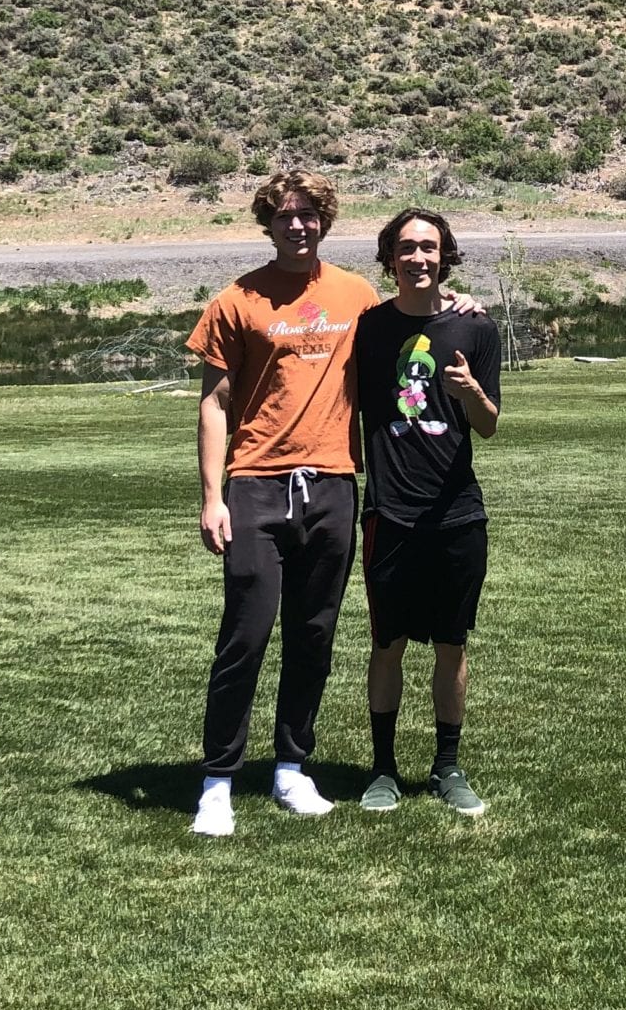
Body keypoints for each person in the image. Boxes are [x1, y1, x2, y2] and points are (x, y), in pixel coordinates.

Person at [185, 169, 378, 838]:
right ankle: (217, 783)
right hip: (257, 484)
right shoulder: (237, 300)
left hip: (332, 481)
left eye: (309, 215)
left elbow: (410, 337)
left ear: (325, 220)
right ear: (267, 223)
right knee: (245, 633)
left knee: (314, 633)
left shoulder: (357, 295)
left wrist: (456, 304)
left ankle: (292, 767)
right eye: (285, 215)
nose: (298, 225)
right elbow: (214, 405)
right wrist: (213, 497)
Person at [353, 208, 503, 817]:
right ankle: (383, 770)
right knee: (386, 644)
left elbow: (490, 427)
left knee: (451, 644)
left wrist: (471, 394)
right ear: (390, 257)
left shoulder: (477, 328)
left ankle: (448, 766)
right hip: (389, 514)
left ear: (446, 256)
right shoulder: (365, 330)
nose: (419, 258)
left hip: (457, 516)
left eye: (429, 248)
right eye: (406, 248)